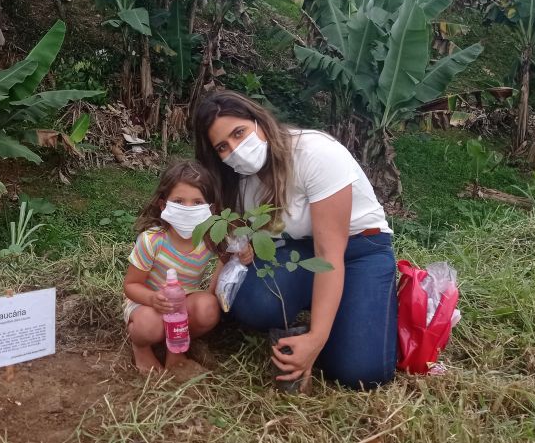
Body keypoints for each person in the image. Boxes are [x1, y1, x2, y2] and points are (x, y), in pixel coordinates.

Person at [190, 91, 398, 389]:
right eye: (222, 146)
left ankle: (360, 305)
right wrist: (210, 305)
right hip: (299, 249)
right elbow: (234, 249)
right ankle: (333, 308)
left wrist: (316, 338)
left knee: (360, 372)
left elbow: (328, 254)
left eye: (239, 133)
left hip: (360, 250)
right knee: (251, 303)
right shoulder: (240, 181)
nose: (235, 150)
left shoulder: (315, 153)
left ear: (259, 121)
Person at [123, 160, 252, 373]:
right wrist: (152, 299)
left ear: (211, 209)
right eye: (179, 201)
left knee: (208, 309)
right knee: (149, 325)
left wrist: (243, 252)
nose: (188, 209)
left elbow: (229, 254)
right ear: (163, 205)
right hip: (148, 304)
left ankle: (175, 351)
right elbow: (131, 285)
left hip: (184, 302)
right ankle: (141, 348)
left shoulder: (210, 238)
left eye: (197, 202)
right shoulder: (152, 240)